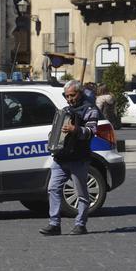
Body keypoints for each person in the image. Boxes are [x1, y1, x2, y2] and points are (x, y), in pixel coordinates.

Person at [40, 80, 99, 236]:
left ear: (79, 93)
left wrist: (76, 129)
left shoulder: (90, 109)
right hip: (61, 157)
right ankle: (54, 224)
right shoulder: (64, 111)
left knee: (81, 193)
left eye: (72, 95)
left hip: (79, 157)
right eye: (67, 96)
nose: (69, 99)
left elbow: (92, 132)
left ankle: (81, 224)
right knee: (53, 188)